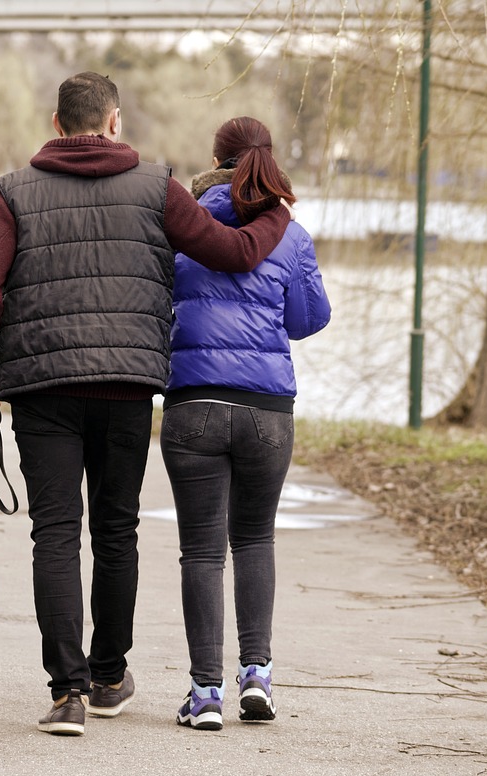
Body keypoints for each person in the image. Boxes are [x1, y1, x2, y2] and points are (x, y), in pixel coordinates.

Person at [0, 73, 293, 737]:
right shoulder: (156, 186)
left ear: (58, 123)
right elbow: (230, 252)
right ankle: (109, 676)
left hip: (43, 389)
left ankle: (67, 695)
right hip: (126, 385)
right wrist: (277, 210)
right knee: (115, 530)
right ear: (114, 122)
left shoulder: (15, 192)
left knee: (55, 532)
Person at [161, 116, 331, 731]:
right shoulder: (292, 234)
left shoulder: (181, 224)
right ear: (267, 160)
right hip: (267, 412)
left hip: (194, 406)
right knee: (255, 538)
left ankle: (205, 693)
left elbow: (156, 305)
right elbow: (309, 319)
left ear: (215, 159)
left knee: (201, 551)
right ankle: (255, 675)